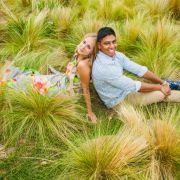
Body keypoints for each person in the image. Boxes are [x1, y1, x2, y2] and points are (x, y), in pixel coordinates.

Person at [0, 33, 97, 123]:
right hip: (63, 81)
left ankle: (4, 85)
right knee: (31, 74)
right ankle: (7, 80)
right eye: (84, 42)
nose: (83, 46)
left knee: (29, 82)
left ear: (91, 53)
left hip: (67, 92)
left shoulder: (83, 65)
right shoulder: (78, 54)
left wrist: (90, 112)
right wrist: (58, 75)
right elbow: (73, 75)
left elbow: (85, 89)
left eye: (88, 47)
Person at [92, 27, 180, 111]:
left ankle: (168, 84)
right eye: (107, 43)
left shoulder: (117, 55)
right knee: (161, 94)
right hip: (118, 101)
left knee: (156, 83)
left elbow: (139, 69)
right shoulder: (104, 68)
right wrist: (160, 87)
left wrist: (162, 83)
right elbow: (133, 85)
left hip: (125, 89)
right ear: (99, 45)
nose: (112, 46)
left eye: (114, 42)